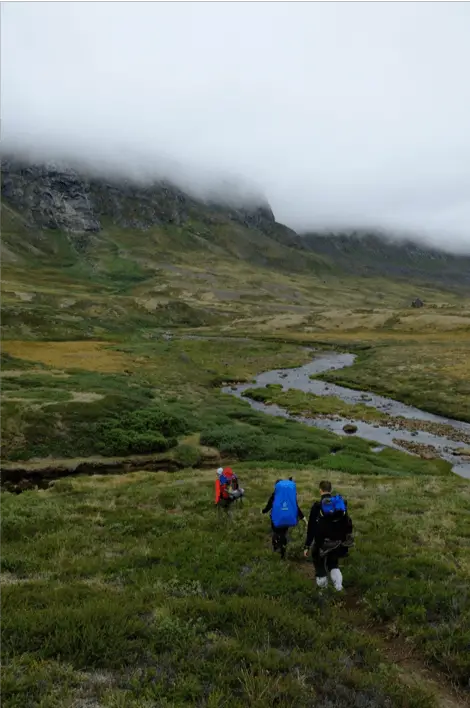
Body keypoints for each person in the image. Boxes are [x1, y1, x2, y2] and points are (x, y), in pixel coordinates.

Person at [303, 480, 354, 591]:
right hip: (337, 542)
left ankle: (323, 592)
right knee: (333, 565)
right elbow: (348, 523)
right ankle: (338, 588)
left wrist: (307, 546)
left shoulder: (317, 507)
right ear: (331, 490)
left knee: (320, 566)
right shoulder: (340, 505)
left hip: (321, 543)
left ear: (320, 490)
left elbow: (311, 528)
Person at [262, 477, 306, 559]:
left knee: (276, 532)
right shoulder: (289, 497)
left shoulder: (275, 495)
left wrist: (263, 511)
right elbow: (296, 507)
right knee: (283, 534)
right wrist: (303, 517)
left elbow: (268, 506)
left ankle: (275, 547)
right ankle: (283, 552)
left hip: (276, 519)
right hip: (287, 519)